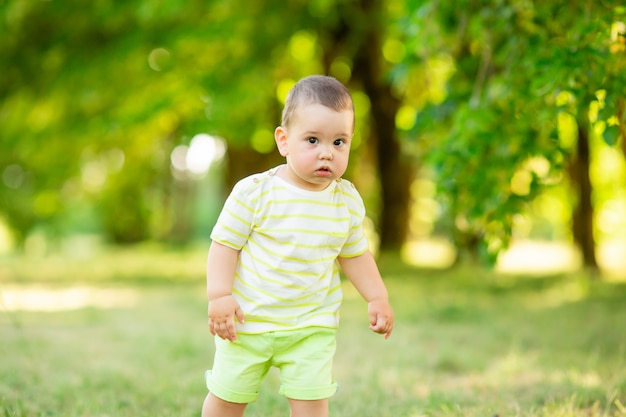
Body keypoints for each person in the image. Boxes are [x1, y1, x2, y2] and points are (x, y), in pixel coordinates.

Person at [201, 75, 394, 417]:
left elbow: (355, 255)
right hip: (247, 324)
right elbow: (224, 245)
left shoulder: (345, 201)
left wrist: (377, 297)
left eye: (339, 142)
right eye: (312, 140)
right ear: (284, 141)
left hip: (311, 327)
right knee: (227, 399)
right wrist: (219, 295)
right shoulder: (255, 192)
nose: (326, 153)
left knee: (312, 406)